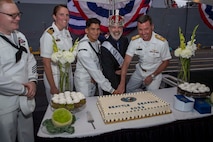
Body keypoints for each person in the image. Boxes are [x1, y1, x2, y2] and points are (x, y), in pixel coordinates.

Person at [0, 0, 38, 142]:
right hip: (5, 104)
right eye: (12, 15)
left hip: (26, 99)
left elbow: (30, 59)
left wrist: (33, 80)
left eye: (18, 14)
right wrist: (22, 89)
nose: (18, 18)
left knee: (27, 137)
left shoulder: (20, 36)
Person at [117, 14, 172, 93]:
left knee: (151, 96)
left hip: (154, 73)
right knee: (128, 89)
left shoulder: (161, 42)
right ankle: (141, 94)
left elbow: (166, 62)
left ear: (152, 27)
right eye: (140, 29)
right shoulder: (135, 41)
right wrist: (122, 83)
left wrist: (152, 76)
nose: (143, 33)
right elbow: (126, 62)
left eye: (146, 29)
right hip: (140, 71)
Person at [74, 18, 116, 97]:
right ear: (86, 30)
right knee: (85, 105)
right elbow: (94, 71)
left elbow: (98, 62)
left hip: (94, 79)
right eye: (93, 29)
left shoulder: (97, 42)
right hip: (83, 83)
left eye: (98, 29)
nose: (96, 32)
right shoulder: (83, 48)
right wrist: (111, 90)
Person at [40, 4, 73, 102]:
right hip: (55, 77)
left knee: (68, 105)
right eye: (61, 15)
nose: (65, 18)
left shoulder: (66, 32)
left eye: (67, 15)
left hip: (68, 74)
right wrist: (53, 86)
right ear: (54, 16)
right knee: (56, 109)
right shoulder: (49, 34)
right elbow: (46, 63)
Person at [101, 10, 129, 95]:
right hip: (110, 84)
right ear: (109, 29)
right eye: (113, 27)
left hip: (123, 79)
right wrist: (117, 89)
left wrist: (122, 70)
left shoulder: (125, 40)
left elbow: (126, 59)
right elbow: (108, 71)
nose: (116, 30)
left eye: (119, 27)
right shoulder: (104, 46)